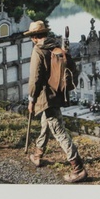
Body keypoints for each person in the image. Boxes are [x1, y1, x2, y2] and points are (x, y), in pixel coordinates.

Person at [25, 20, 87, 183]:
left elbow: (35, 79)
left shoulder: (38, 50)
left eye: (32, 37)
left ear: (34, 37)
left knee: (58, 130)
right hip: (58, 93)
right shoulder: (55, 45)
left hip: (46, 96)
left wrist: (31, 99)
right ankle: (38, 155)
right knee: (47, 123)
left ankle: (78, 168)